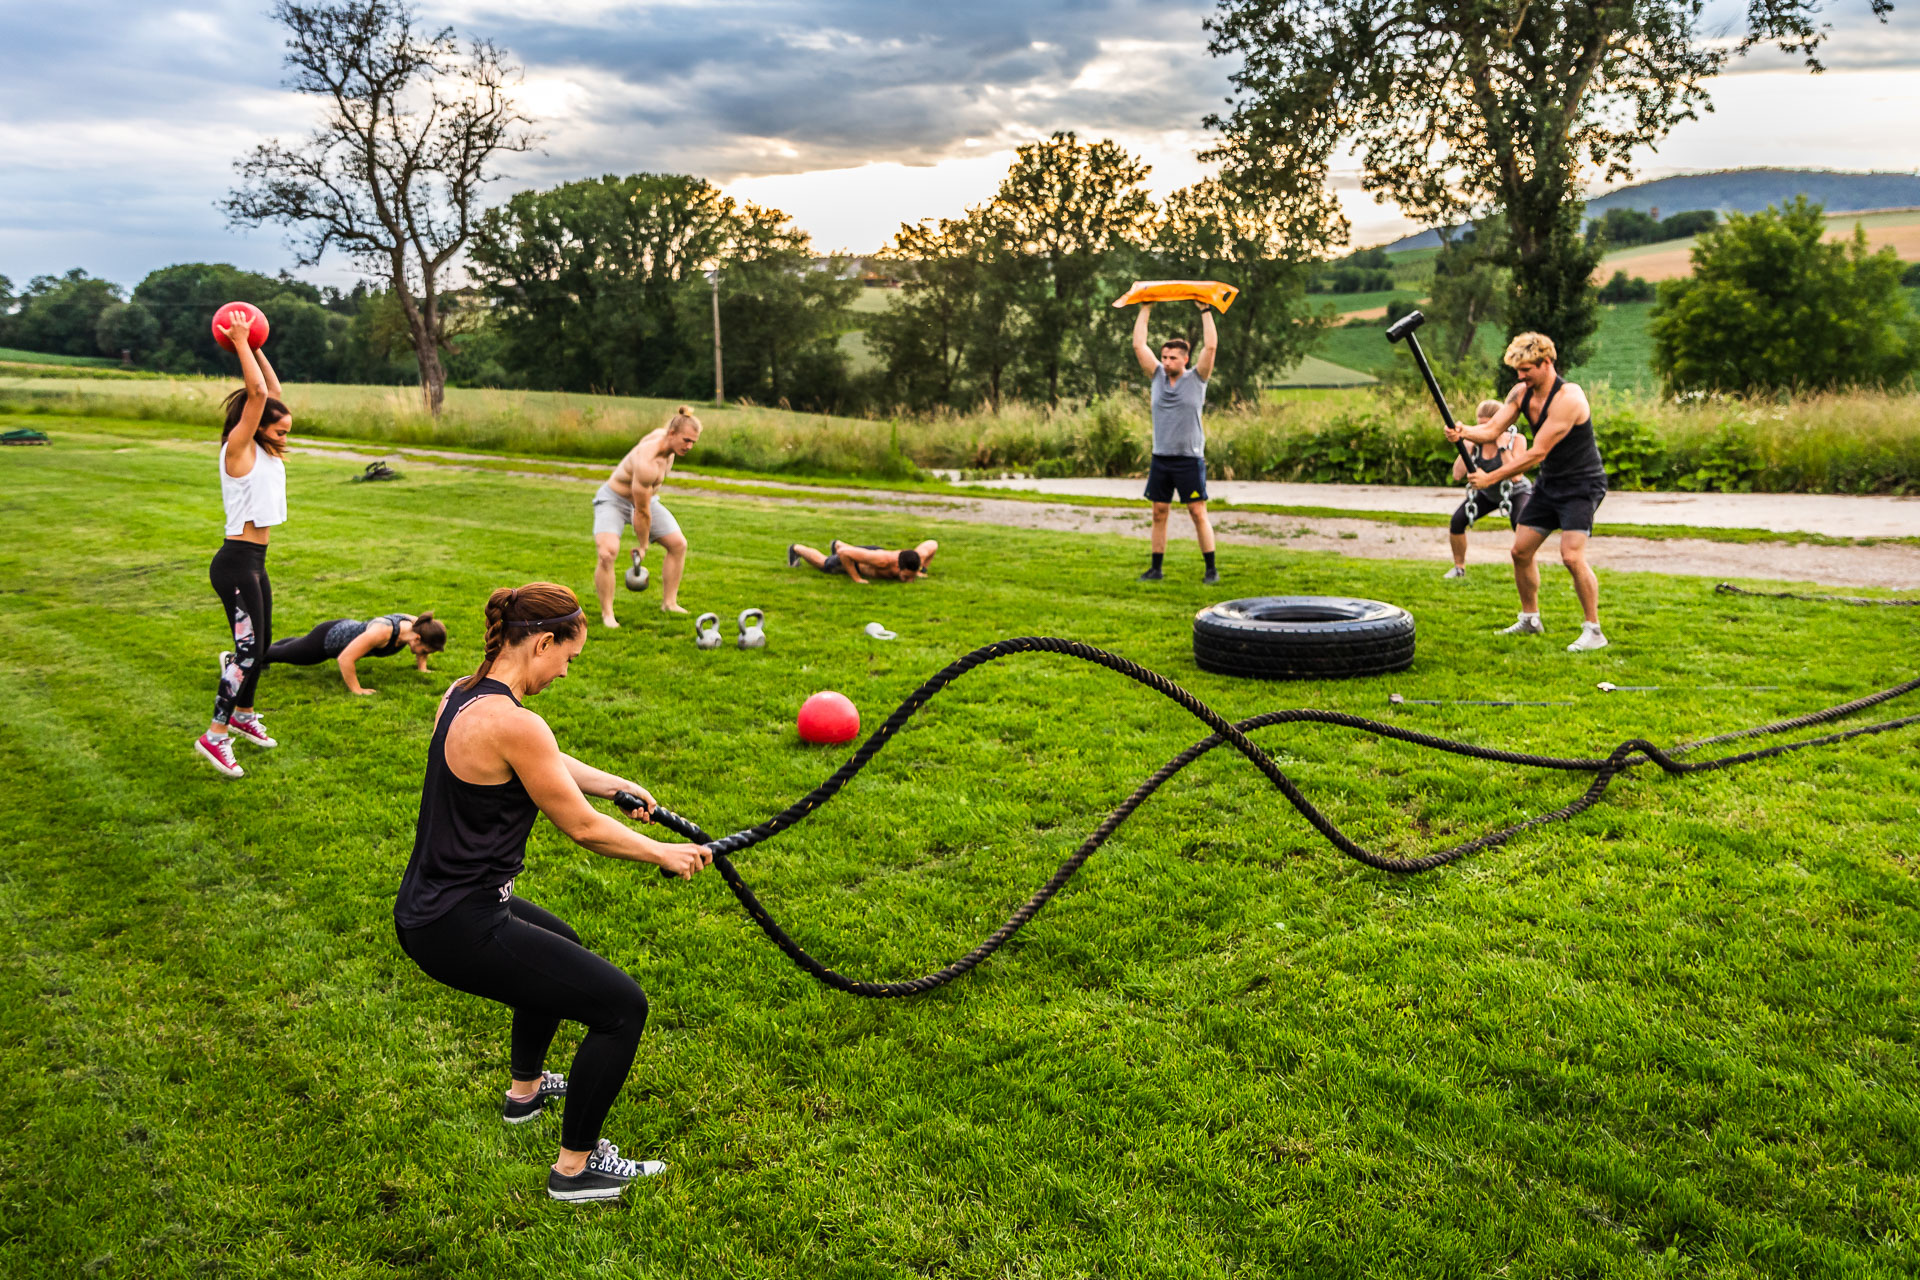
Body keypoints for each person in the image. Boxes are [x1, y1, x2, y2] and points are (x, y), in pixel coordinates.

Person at [393, 583, 711, 1203]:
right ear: (543, 642)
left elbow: (547, 761)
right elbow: (583, 828)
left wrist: (615, 782)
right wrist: (663, 853)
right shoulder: (517, 722)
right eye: (568, 657)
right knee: (622, 1008)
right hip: (460, 924)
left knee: (556, 944)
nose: (566, 670)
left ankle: (526, 1091)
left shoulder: (462, 694)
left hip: (434, 907)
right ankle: (576, 1170)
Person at [1448, 332, 1610, 652]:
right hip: (1550, 484)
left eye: (1526, 370)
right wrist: (1463, 430)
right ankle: (1530, 619)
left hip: (1581, 485)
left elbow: (1536, 453)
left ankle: (1594, 630)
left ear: (1546, 362)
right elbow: (1493, 429)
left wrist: (1491, 476)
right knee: (1520, 552)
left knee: (1571, 556)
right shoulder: (1522, 392)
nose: (1520, 377)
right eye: (1517, 371)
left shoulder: (1569, 399)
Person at [195, 308, 291, 778]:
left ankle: (244, 714)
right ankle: (214, 735)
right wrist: (237, 344)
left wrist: (254, 345)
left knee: (264, 645)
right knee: (249, 651)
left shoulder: (265, 449)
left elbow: (269, 393)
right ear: (255, 426)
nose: (285, 437)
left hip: (256, 561)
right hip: (234, 562)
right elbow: (257, 394)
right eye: (280, 429)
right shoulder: (238, 448)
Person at [1130, 301, 1220, 584]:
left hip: (1189, 458)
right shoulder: (1156, 376)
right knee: (1159, 512)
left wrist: (1205, 311)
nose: (1166, 361)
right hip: (1161, 458)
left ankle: (1211, 570)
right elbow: (1138, 345)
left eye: (1172, 358)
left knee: (1197, 511)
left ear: (1185, 359)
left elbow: (1211, 347)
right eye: (1164, 357)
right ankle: (1155, 569)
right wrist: (1145, 306)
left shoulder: (1198, 378)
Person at [592, 407, 701, 625]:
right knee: (607, 553)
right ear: (672, 434)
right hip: (614, 500)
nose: (689, 446)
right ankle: (607, 614)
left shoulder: (665, 440)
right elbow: (641, 513)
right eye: (686, 440)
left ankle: (669, 603)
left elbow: (644, 505)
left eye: (693, 442)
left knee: (678, 544)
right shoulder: (648, 463)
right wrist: (643, 546)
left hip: (645, 499)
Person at [1442, 399, 1531, 579]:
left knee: (1520, 525)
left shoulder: (1517, 440)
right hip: (1487, 493)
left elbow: (1515, 477)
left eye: (1488, 425)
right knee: (1457, 521)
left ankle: (1525, 569)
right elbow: (1457, 475)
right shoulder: (1475, 444)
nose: (1483, 430)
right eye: (1479, 425)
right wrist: (1466, 448)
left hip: (1516, 492)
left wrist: (1502, 445)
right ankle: (1459, 568)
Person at [265, 611, 448, 695]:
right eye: (425, 650)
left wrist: (422, 668)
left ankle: (263, 653)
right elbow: (345, 658)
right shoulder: (382, 632)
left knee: (289, 648)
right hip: (327, 640)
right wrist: (357, 689)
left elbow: (423, 648)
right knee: (285, 655)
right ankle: (243, 658)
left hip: (343, 626)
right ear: (417, 639)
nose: (424, 653)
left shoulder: (418, 627)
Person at [786, 538, 939, 583]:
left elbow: (933, 543)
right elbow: (844, 554)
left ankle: (837, 543)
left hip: (868, 553)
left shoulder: (916, 557)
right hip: (855, 559)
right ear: (898, 566)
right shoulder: (883, 561)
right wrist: (856, 578)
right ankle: (796, 549)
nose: (909, 581)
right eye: (906, 577)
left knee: (853, 551)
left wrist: (922, 569)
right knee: (825, 564)